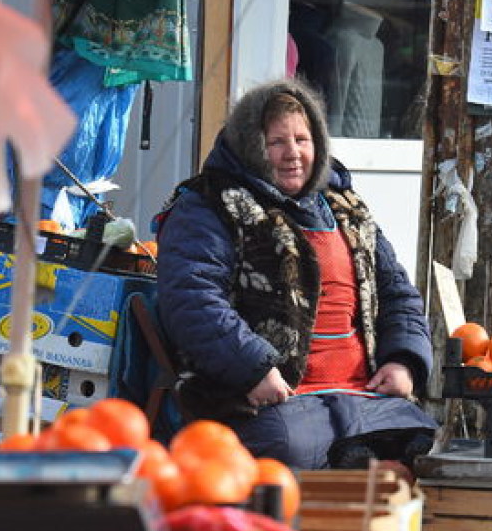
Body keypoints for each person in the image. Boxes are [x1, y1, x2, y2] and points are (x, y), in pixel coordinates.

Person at [153, 76, 437, 470]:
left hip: (363, 395)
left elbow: (397, 293)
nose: (293, 154)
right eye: (276, 143)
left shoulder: (346, 207)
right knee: (290, 448)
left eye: (302, 140)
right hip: (275, 398)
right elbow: (191, 298)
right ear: (251, 147)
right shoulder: (208, 205)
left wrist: (403, 361)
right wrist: (251, 368)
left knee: (427, 445)